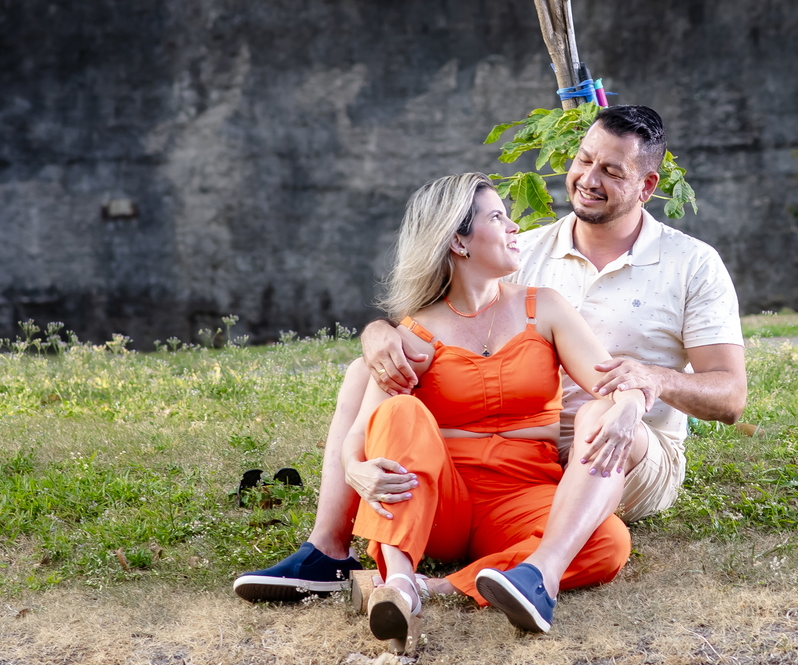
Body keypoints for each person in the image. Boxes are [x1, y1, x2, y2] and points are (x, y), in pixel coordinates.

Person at [235, 105, 747, 633]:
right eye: (583, 160)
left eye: (612, 171)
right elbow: (444, 297)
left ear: (647, 186)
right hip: (498, 462)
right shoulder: (524, 252)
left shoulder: (690, 263)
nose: (588, 179)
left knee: (604, 465)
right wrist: (379, 334)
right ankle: (329, 550)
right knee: (370, 377)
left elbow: (730, 397)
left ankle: (479, 580)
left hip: (616, 447)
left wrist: (642, 391)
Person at [236, 172, 644, 649]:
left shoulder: (544, 309)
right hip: (440, 505)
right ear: (458, 240)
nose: (514, 228)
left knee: (608, 541)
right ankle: (400, 578)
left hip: (522, 495)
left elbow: (613, 381)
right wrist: (354, 468)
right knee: (399, 413)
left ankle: (437, 588)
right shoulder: (413, 334)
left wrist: (631, 401)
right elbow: (368, 426)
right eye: (498, 217)